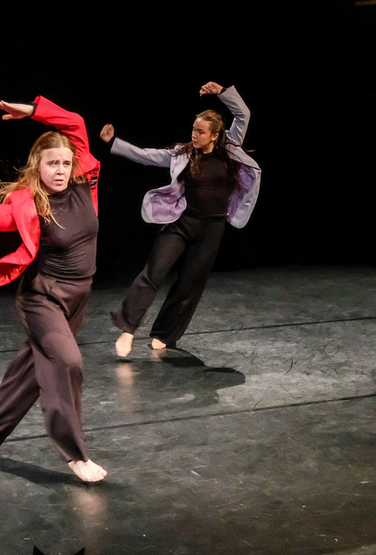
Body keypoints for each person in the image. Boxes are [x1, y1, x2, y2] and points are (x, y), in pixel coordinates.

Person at [0, 96, 108, 483]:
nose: (61, 169)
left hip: (79, 295)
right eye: (53, 163)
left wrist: (33, 111)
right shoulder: (28, 201)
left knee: (30, 374)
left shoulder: (87, 181)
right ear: (38, 165)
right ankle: (75, 454)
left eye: (66, 162)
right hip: (42, 297)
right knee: (67, 363)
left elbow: (77, 123)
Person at [100, 82, 262, 357]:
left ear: (215, 135)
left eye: (200, 131)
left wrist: (223, 92)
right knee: (154, 273)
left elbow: (243, 114)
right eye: (193, 129)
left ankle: (164, 333)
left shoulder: (231, 149)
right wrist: (114, 143)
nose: (194, 134)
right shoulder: (182, 154)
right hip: (182, 223)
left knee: (190, 283)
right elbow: (146, 156)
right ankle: (127, 328)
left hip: (212, 228)